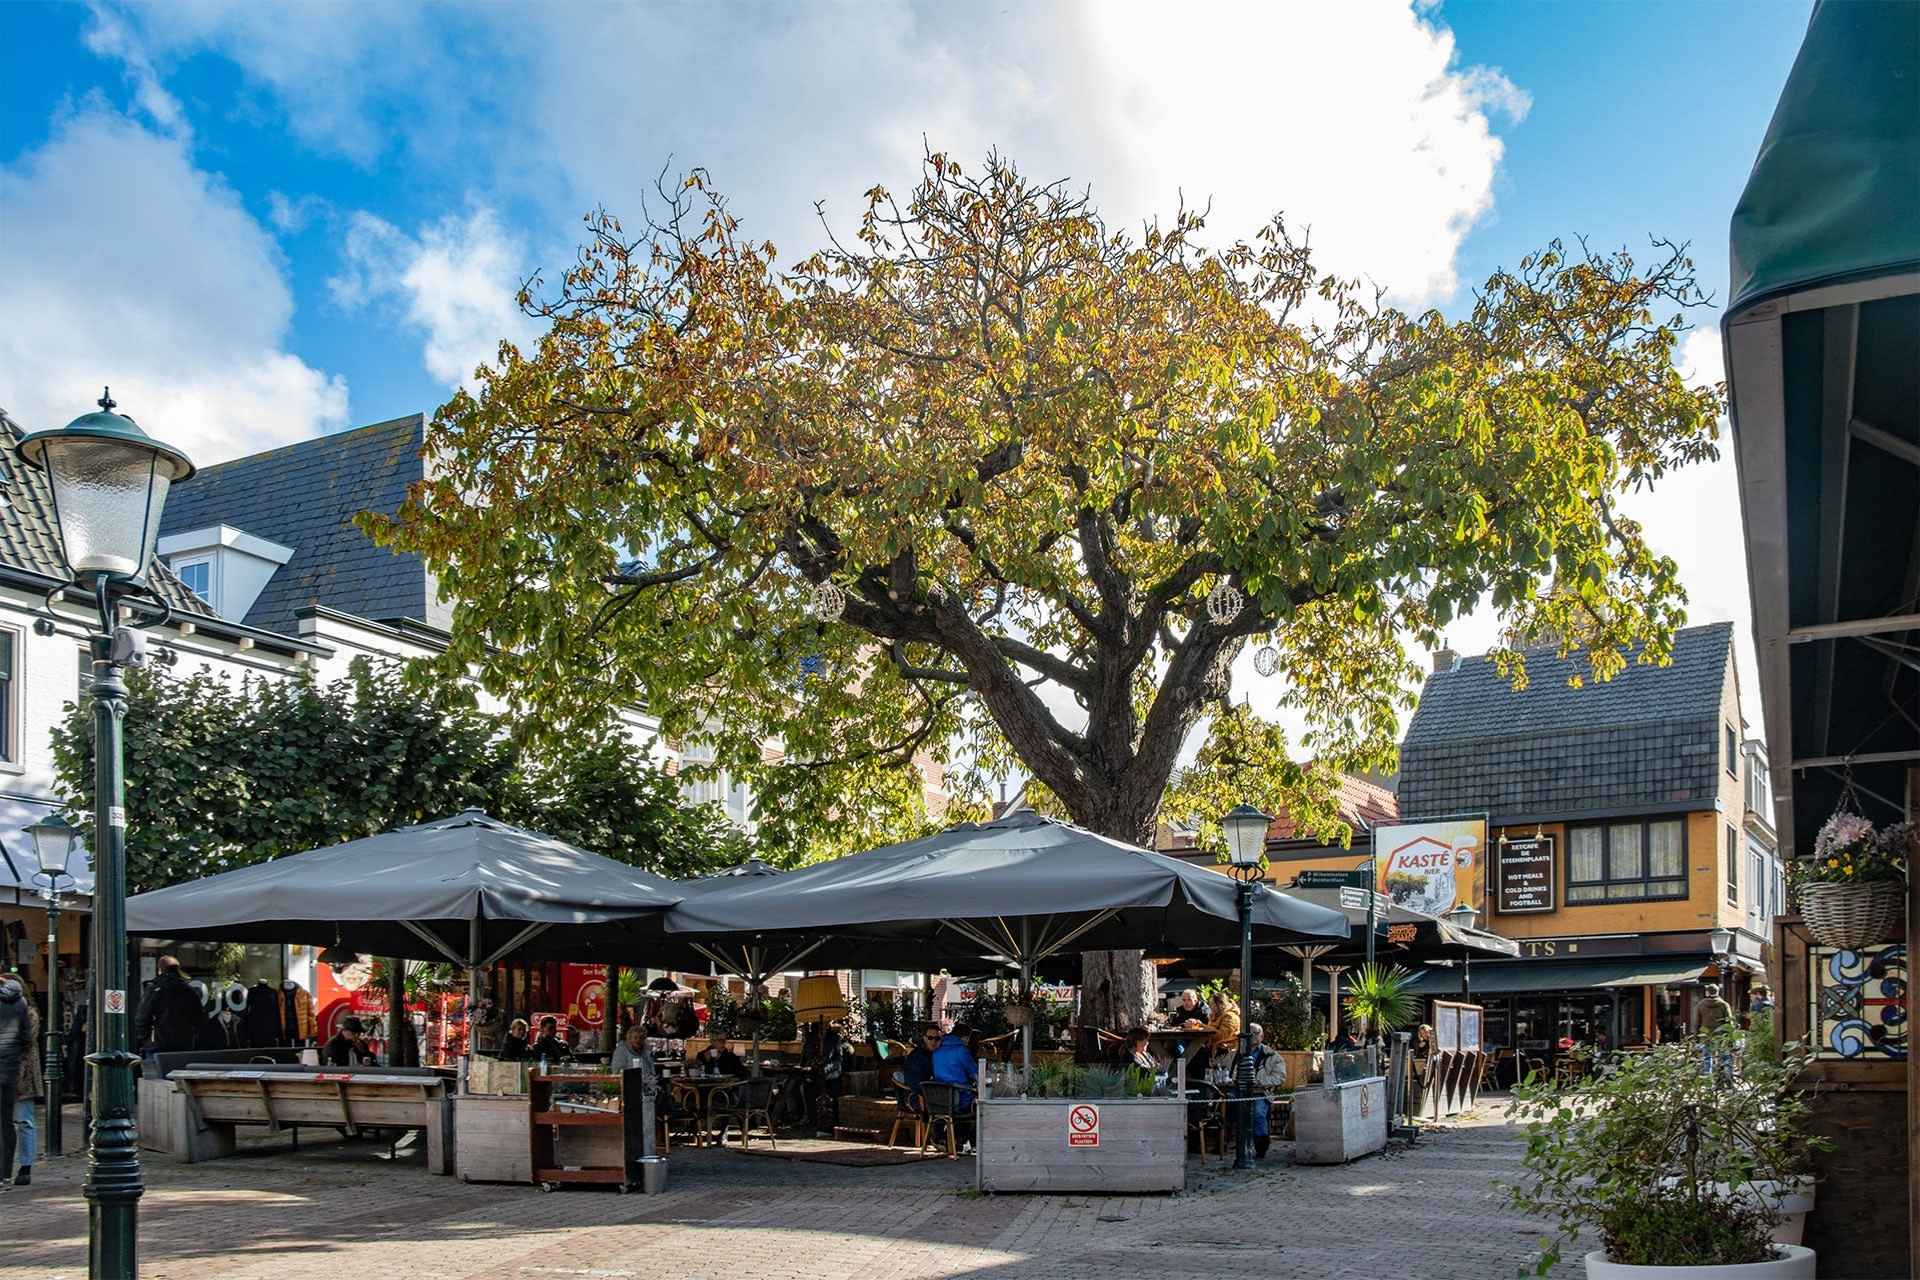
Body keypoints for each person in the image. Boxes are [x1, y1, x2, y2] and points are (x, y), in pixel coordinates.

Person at [1229, 1022, 1288, 1158]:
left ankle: (1261, 1146)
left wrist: (1261, 1082)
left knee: (1258, 1114)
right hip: (1237, 1091)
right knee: (1225, 1106)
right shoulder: (1235, 1054)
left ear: (1262, 1036)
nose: (1254, 1036)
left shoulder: (1272, 1056)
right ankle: (1229, 1142)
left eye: (1257, 1033)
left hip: (1260, 1093)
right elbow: (1226, 1071)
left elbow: (1280, 1077)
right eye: (1251, 1033)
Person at [134, 956, 204, 1055]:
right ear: (178, 969)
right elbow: (199, 1019)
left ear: (159, 970)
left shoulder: (155, 989)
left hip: (160, 1044)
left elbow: (142, 1017)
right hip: (186, 1045)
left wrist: (144, 1040)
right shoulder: (190, 990)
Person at [0, 976, 29, 1189]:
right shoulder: (20, 1002)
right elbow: (26, 1037)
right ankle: (5, 1174)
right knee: (6, 1121)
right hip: (10, 1069)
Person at [12, 996, 42, 1186]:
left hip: (22, 1075)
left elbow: (25, 1039)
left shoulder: (29, 1013)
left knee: (24, 1121)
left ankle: (25, 1165)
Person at [891, 1023, 941, 1114]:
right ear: (924, 1038)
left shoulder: (928, 1054)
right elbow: (916, 1082)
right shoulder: (920, 1056)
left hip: (918, 1095)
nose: (934, 1041)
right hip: (917, 1099)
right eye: (930, 1038)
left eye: (937, 1038)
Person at [930, 1022, 978, 1113]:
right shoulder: (962, 1050)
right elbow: (976, 1073)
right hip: (959, 1099)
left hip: (938, 1100)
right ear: (965, 1037)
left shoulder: (936, 1050)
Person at [1696, 983, 1735, 1082]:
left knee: (1707, 1058)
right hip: (1721, 1036)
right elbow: (1729, 1022)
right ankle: (1727, 1078)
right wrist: (1731, 1037)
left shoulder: (1700, 1004)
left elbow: (1697, 1022)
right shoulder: (1724, 1004)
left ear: (1707, 992)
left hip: (1706, 1036)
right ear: (1717, 992)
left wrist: (1697, 1037)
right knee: (1725, 1057)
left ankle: (1707, 1080)